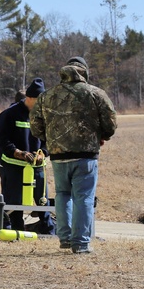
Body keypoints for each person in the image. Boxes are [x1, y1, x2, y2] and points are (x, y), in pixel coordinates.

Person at [29, 56, 117, 254]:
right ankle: (81, 243)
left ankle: (65, 238)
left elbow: (35, 126)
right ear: (85, 72)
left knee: (62, 194)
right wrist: (101, 136)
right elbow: (110, 122)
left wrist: (50, 139)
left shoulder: (46, 96)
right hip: (86, 155)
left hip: (58, 155)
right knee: (84, 197)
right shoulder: (95, 93)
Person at [0, 78, 55, 234]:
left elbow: (49, 139)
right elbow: (2, 138)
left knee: (42, 200)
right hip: (14, 166)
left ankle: (48, 230)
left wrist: (43, 153)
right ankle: (16, 231)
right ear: (29, 98)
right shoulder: (9, 114)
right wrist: (17, 152)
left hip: (37, 167)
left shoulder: (44, 115)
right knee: (14, 202)